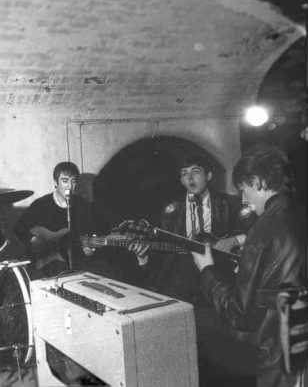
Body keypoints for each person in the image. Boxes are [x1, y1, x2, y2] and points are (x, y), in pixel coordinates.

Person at [191, 146, 306, 387]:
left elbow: (241, 315)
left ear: (257, 181)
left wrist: (207, 270)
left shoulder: (262, 230)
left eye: (244, 190)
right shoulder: (299, 212)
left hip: (277, 353)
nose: (244, 200)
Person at [128, 154, 252, 303]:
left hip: (220, 276)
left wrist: (235, 240)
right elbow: (160, 254)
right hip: (180, 283)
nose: (190, 178)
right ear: (181, 180)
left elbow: (256, 231)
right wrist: (143, 256)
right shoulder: (170, 210)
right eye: (184, 174)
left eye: (196, 171)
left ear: (209, 175)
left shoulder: (231, 203)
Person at [13, 162, 96, 279]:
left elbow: (91, 236)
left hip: (76, 263)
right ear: (55, 183)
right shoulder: (41, 205)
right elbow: (18, 229)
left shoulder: (84, 206)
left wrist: (89, 250)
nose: (69, 186)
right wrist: (34, 240)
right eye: (65, 181)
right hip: (47, 265)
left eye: (73, 181)